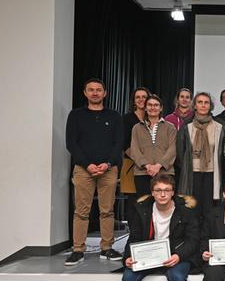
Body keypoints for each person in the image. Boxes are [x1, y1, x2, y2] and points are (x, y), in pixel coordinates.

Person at [65, 78, 124, 265]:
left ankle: (107, 248)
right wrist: (87, 164)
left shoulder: (114, 116)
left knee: (107, 210)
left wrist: (107, 163)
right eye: (91, 90)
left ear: (105, 93)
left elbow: (119, 143)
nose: (95, 93)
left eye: (99, 90)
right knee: (81, 211)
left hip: (109, 169)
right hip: (83, 170)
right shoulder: (75, 115)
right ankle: (78, 249)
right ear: (85, 93)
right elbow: (71, 143)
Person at [176, 92, 225, 223]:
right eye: (200, 102)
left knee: (209, 210)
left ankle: (207, 239)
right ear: (195, 106)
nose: (203, 105)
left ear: (211, 106)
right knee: (193, 208)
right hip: (192, 173)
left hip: (212, 174)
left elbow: (222, 153)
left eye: (206, 102)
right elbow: (180, 152)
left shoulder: (219, 126)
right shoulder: (187, 126)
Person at [130, 94, 178, 198]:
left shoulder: (170, 127)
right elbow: (134, 149)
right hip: (142, 173)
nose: (153, 107)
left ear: (161, 108)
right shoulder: (137, 128)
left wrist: (158, 166)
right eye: (150, 105)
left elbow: (173, 149)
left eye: (156, 105)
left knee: (164, 203)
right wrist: (147, 165)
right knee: (144, 205)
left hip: (165, 172)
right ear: (145, 108)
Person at [121, 87, 151, 229]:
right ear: (133, 100)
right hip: (132, 165)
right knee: (134, 203)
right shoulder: (127, 119)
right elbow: (125, 144)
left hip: (152, 167)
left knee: (149, 200)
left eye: (144, 97)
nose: (141, 100)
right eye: (137, 97)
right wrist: (142, 161)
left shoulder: (153, 119)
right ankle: (133, 237)